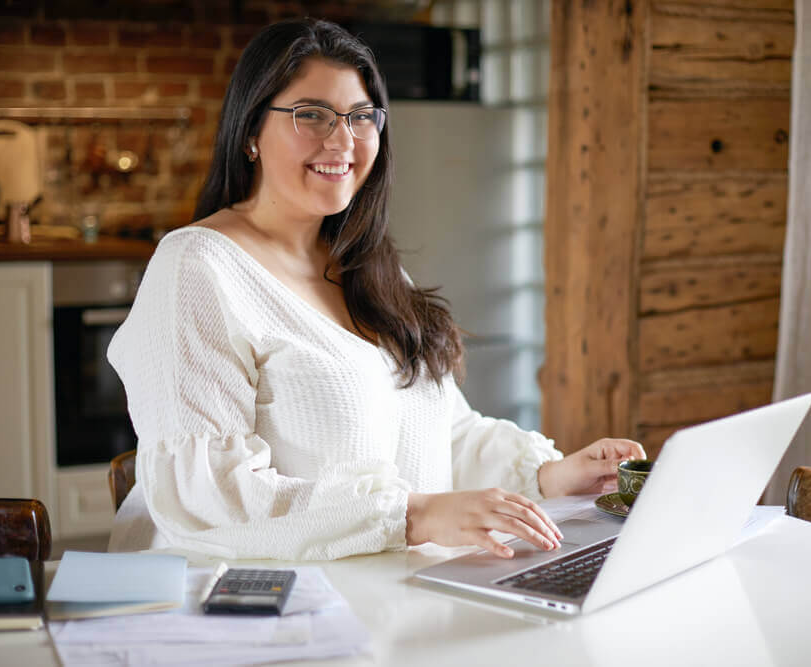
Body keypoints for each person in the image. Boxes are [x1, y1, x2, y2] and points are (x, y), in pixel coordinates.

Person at [107, 18, 645, 561]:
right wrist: (414, 516)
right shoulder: (197, 268)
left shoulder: (367, 264)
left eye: (362, 117)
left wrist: (551, 475)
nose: (342, 140)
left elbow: (442, 433)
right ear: (250, 132)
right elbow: (211, 500)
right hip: (267, 608)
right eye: (311, 114)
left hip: (400, 594)